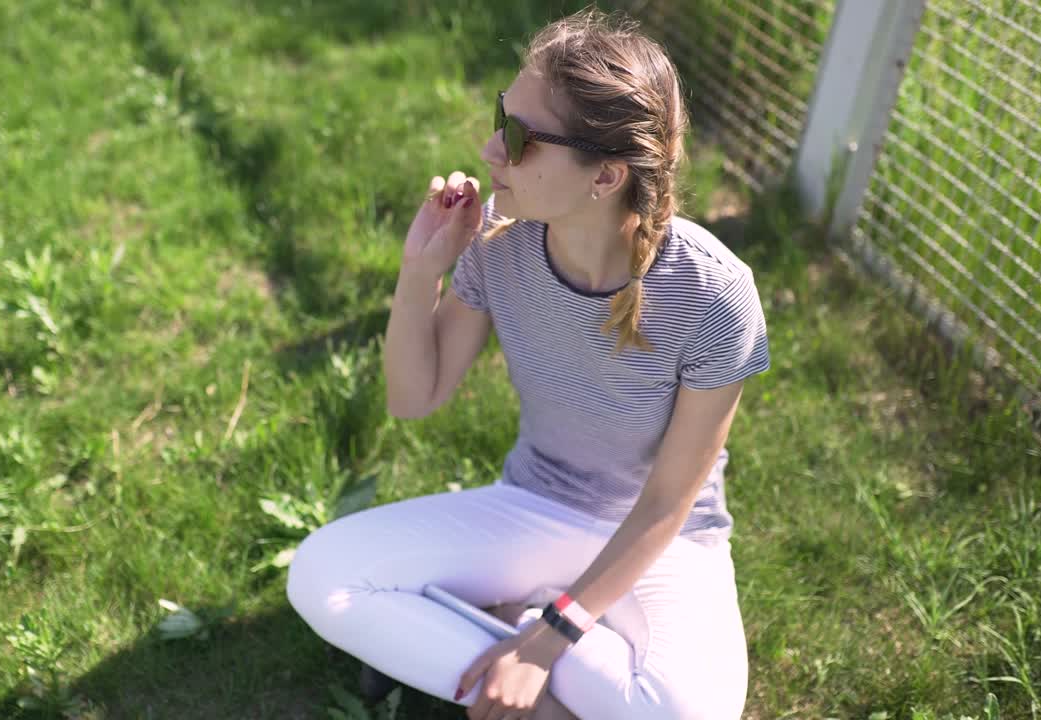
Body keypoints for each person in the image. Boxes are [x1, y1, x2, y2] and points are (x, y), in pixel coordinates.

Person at [286, 7, 770, 719]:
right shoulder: (497, 242)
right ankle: (539, 687)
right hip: (538, 505)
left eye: (516, 136)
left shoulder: (714, 292)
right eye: (498, 117)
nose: (488, 149)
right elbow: (413, 398)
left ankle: (514, 628)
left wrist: (548, 637)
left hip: (663, 542)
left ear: (604, 177)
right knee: (319, 574)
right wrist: (421, 271)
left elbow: (668, 502)